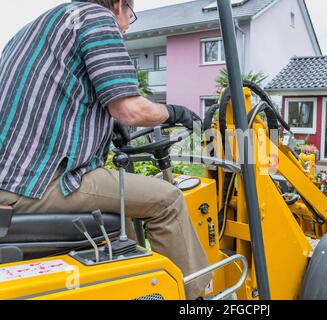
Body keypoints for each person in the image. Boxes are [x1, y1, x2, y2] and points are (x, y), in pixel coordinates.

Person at [0, 0, 210, 299]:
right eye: (130, 17)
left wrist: (107, 126)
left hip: (11, 177)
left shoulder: (30, 32)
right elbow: (131, 110)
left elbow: (58, 100)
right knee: (167, 199)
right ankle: (196, 299)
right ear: (119, 5)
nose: (124, 27)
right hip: (38, 183)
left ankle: (138, 285)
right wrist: (175, 112)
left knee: (124, 204)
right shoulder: (94, 17)